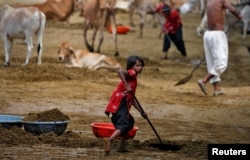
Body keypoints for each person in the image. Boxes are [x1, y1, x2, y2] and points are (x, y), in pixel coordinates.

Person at [103, 55, 147, 155]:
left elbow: (132, 99)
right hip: (120, 102)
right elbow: (120, 71)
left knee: (130, 122)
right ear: (131, 67)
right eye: (137, 65)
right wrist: (126, 85)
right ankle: (110, 140)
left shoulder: (134, 78)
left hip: (123, 103)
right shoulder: (132, 72)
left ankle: (121, 146)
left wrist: (142, 112)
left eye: (141, 65)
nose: (140, 67)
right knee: (124, 124)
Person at [197, 0, 242, 96]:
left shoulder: (210, 2)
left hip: (208, 34)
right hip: (217, 34)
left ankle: (216, 88)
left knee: (212, 62)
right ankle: (204, 80)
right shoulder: (222, 0)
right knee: (221, 63)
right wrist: (238, 16)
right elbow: (232, 9)